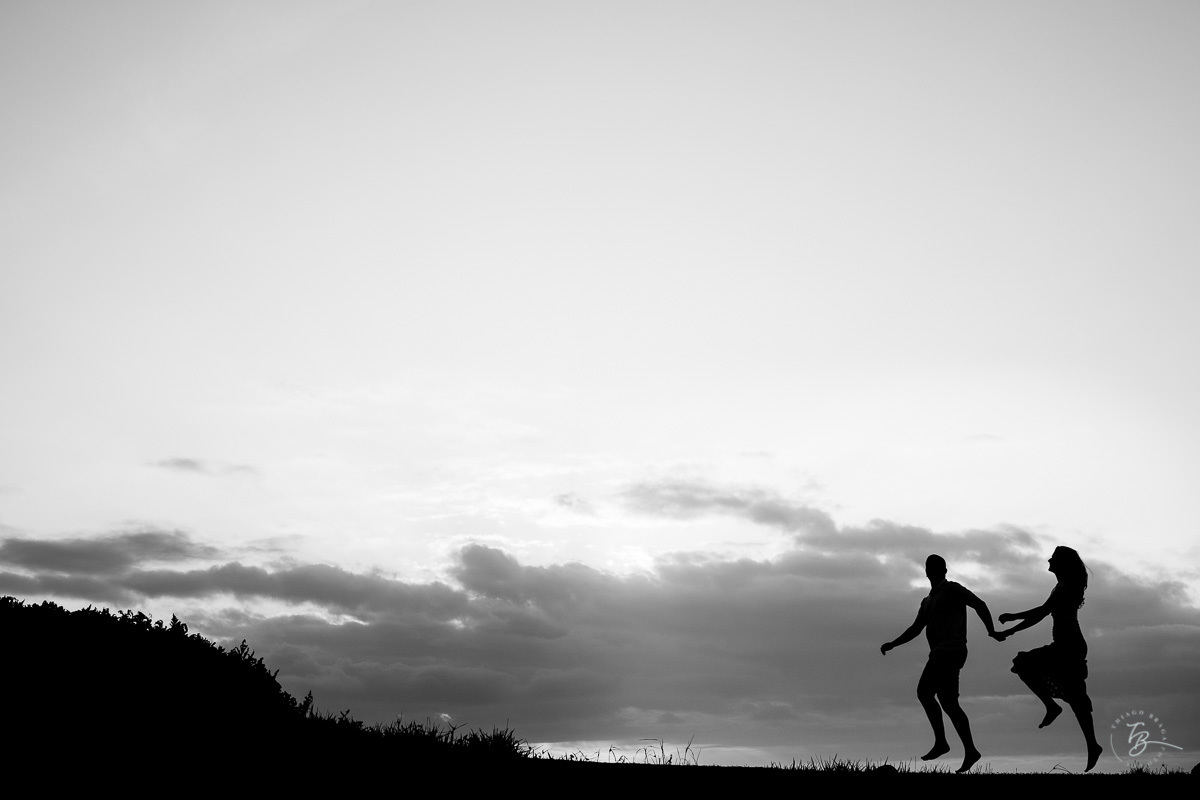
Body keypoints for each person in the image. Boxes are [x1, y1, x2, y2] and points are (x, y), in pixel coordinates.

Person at [881, 554, 1001, 773]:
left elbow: (979, 604)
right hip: (943, 652)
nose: (933, 571)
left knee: (924, 692)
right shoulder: (927, 601)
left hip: (949, 652)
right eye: (930, 567)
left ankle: (941, 742)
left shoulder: (953, 589)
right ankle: (971, 750)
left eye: (937, 567)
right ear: (926, 571)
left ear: (945, 571)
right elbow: (916, 628)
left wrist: (991, 631)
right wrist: (894, 644)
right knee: (949, 703)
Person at [994, 545, 1102, 772]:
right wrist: (1013, 620)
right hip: (1067, 645)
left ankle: (1054, 709)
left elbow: (1042, 613)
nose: (1048, 561)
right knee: (1075, 696)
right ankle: (1090, 743)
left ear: (1061, 564)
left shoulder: (1064, 588)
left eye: (1053, 558)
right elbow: (1043, 610)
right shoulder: (1063, 586)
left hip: (1068, 647)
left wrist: (1011, 627)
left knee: (1025, 665)